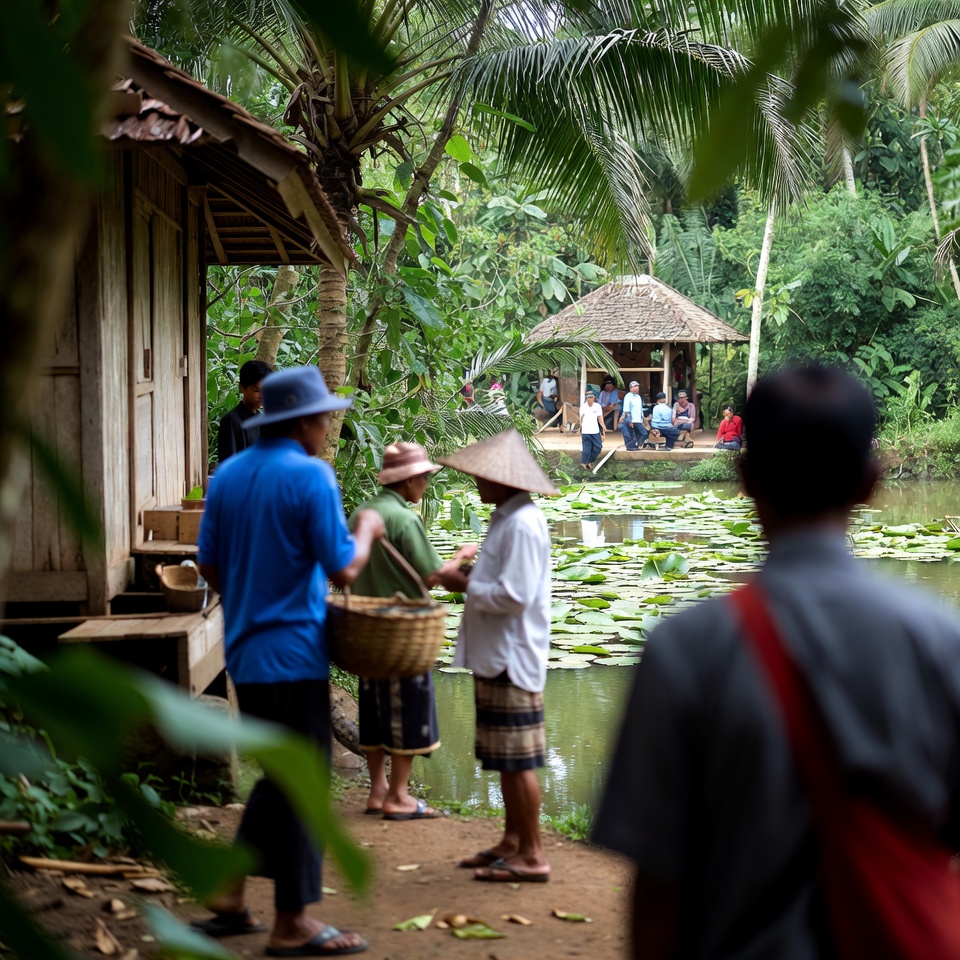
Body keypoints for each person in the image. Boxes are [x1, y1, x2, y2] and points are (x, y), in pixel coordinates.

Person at [593, 364, 960, 959]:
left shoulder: (686, 649)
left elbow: (660, 883)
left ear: (745, 476)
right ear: (870, 484)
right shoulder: (941, 640)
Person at [195, 365, 384, 958]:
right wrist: (371, 528)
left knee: (281, 775)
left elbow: (207, 566)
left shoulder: (227, 476)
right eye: (325, 416)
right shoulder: (312, 477)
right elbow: (344, 569)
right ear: (301, 421)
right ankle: (292, 921)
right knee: (303, 783)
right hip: (296, 655)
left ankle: (228, 892)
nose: (330, 425)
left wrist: (252, 596)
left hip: (246, 653)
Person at [438, 428, 558, 883]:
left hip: (512, 656)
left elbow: (515, 595)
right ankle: (512, 841)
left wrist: (463, 584)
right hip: (498, 655)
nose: (475, 482)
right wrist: (470, 566)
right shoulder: (507, 518)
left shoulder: (524, 524)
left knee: (518, 758)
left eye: (481, 476)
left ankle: (533, 854)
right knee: (505, 757)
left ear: (504, 480)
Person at [350, 442, 477, 820]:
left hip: (365, 630)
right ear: (406, 481)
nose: (424, 482)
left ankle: (377, 791)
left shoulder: (361, 512)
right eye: (422, 477)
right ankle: (399, 796)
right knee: (410, 708)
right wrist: (463, 557)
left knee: (372, 709)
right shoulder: (404, 520)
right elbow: (433, 578)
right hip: (403, 633)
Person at [217, 359, 272, 464]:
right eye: (257, 391)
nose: (262, 396)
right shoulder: (231, 421)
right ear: (242, 387)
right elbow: (228, 465)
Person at [619, 380, 648, 451]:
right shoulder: (628, 396)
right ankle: (636, 445)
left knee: (640, 433)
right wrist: (628, 420)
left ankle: (638, 445)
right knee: (642, 433)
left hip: (638, 420)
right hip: (632, 419)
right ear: (630, 388)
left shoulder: (638, 397)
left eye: (637, 387)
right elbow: (626, 409)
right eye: (634, 387)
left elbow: (640, 409)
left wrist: (643, 418)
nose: (636, 388)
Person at [579, 391, 605, 468]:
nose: (590, 399)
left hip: (595, 431)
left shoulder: (597, 406)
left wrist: (603, 428)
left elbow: (600, 418)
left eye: (592, 397)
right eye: (589, 398)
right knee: (586, 449)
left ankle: (590, 461)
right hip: (586, 431)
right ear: (586, 399)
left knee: (598, 447)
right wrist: (581, 429)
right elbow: (581, 419)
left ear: (594, 398)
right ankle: (584, 463)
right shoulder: (583, 407)